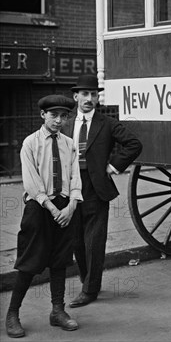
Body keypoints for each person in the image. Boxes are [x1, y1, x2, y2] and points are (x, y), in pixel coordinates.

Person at [5, 95, 83, 338]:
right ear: (43, 115)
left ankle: (57, 311)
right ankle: (12, 314)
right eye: (54, 115)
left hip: (64, 207)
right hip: (39, 208)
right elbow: (31, 181)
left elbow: (75, 177)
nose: (59, 121)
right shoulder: (30, 143)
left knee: (60, 260)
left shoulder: (69, 143)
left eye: (64, 116)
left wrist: (71, 206)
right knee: (30, 261)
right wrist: (51, 208)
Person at [63, 75, 142, 308]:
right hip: (70, 186)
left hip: (96, 186)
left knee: (94, 240)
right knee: (76, 239)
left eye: (93, 95)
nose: (89, 99)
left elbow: (134, 144)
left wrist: (113, 166)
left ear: (97, 98)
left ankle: (90, 289)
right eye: (85, 94)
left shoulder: (106, 123)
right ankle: (88, 280)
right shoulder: (66, 124)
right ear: (75, 96)